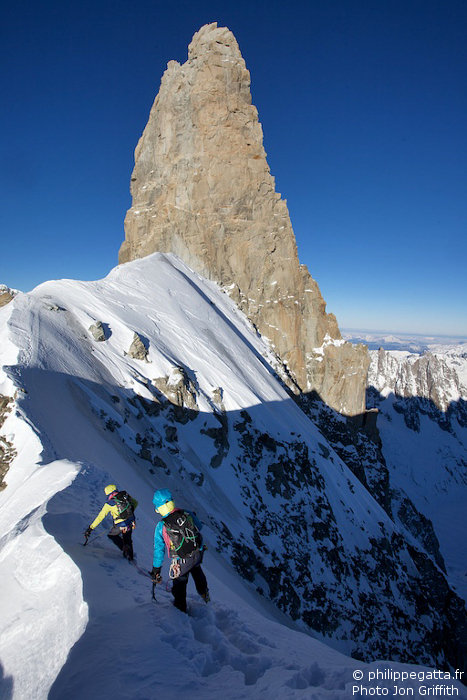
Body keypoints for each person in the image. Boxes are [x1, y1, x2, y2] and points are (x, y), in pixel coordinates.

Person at [151, 488, 210, 613]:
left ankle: (180, 609)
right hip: (197, 552)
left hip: (181, 560)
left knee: (180, 584)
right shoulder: (186, 513)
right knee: (197, 571)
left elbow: (159, 550)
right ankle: (205, 594)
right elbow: (199, 526)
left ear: (159, 508)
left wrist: (156, 570)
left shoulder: (161, 526)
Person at [85, 484, 137, 561]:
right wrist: (129, 512)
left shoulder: (109, 504)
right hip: (130, 521)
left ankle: (124, 549)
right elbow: (135, 503)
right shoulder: (125, 496)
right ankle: (130, 557)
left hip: (120, 524)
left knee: (112, 535)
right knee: (128, 539)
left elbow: (100, 517)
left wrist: (90, 528)